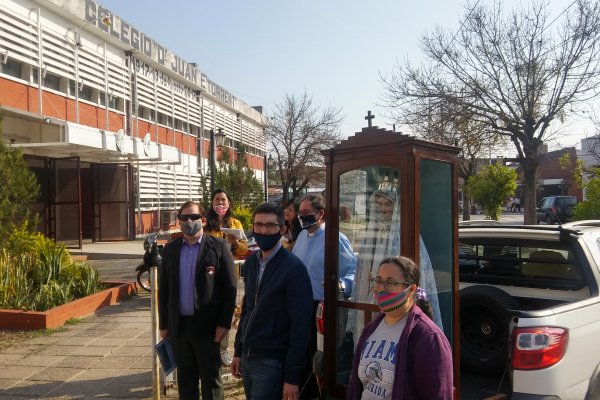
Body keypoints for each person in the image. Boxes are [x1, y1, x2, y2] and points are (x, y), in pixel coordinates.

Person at [231, 202, 313, 400]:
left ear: (282, 229)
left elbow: (301, 325)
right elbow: (249, 307)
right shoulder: (252, 262)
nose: (263, 230)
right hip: (249, 355)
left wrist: (292, 377)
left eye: (270, 226)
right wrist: (238, 351)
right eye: (258, 225)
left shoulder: (294, 269)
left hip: (273, 360)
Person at [158, 201, 237, 400]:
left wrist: (224, 323)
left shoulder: (219, 247)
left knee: (211, 381)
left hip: (209, 329)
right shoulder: (170, 249)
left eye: (193, 217)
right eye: (184, 218)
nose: (189, 221)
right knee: (185, 382)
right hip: (180, 328)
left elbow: (230, 289)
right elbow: (164, 290)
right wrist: (164, 325)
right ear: (179, 221)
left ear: (202, 220)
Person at [347, 256, 453, 400]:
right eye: (378, 280)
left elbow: (438, 394)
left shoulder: (428, 338)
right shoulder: (371, 329)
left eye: (390, 282)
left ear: (411, 290)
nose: (381, 288)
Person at [292, 193, 356, 399]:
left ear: (320, 213)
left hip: (321, 309)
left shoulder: (335, 237)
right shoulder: (301, 236)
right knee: (300, 355)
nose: (301, 217)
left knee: (318, 360)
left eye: (306, 213)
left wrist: (340, 285)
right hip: (298, 306)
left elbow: (353, 270)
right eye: (299, 213)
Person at [204, 188, 248, 259]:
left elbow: (245, 250)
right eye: (217, 199)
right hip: (211, 266)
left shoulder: (236, 223)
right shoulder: (205, 223)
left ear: (229, 203)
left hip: (231, 266)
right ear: (212, 203)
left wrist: (235, 243)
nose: (220, 202)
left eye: (223, 199)